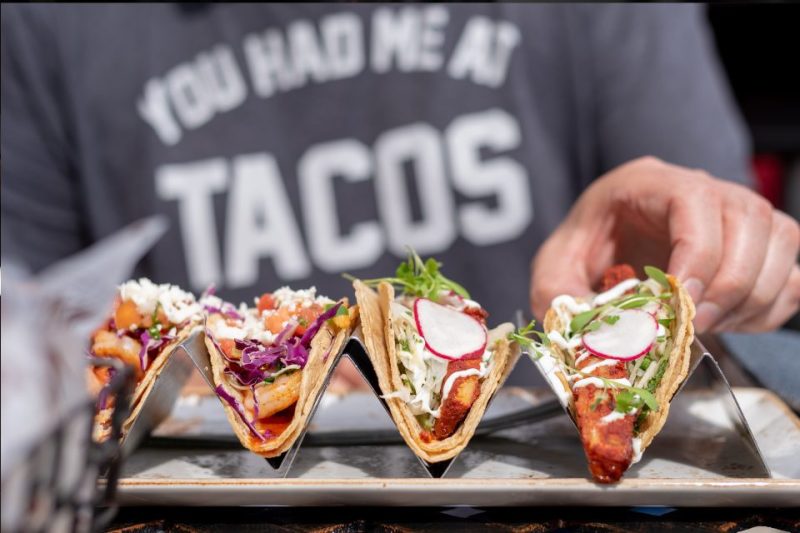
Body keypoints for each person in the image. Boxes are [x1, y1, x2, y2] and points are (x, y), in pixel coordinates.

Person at [2, 4, 798, 388]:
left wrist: (708, 272)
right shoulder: (47, 25)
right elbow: (20, 352)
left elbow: (746, 314)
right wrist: (172, 371)